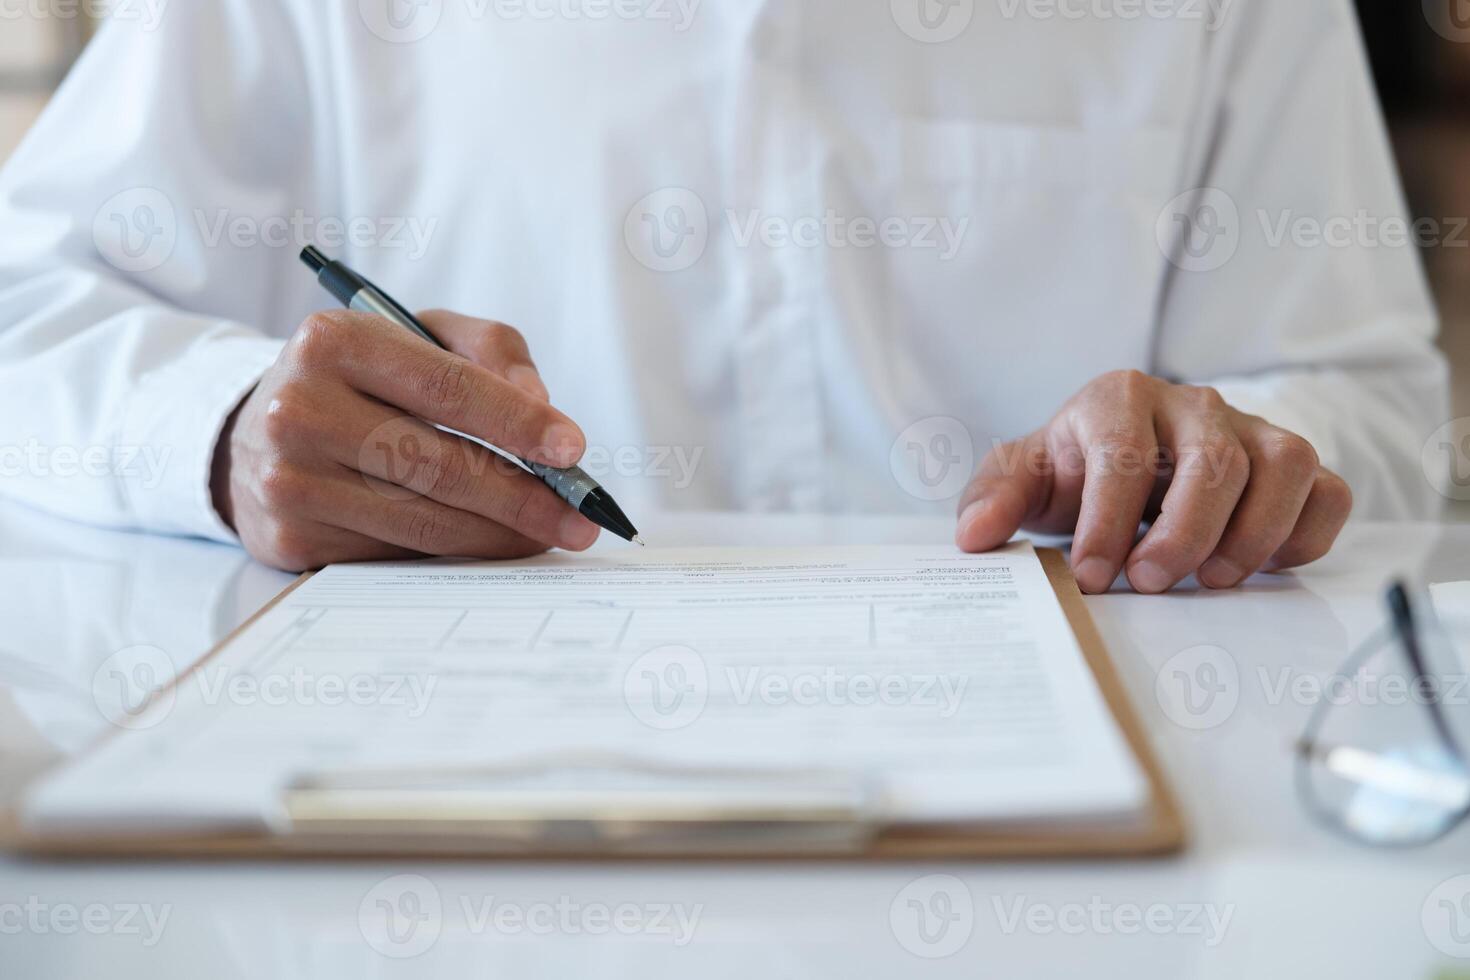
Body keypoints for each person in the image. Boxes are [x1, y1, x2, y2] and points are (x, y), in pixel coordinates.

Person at [0, 0, 1448, 593]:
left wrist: (1235, 452)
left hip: (1088, 850)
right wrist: (223, 429)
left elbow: (1365, 401)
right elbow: (28, 305)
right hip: (454, 834)